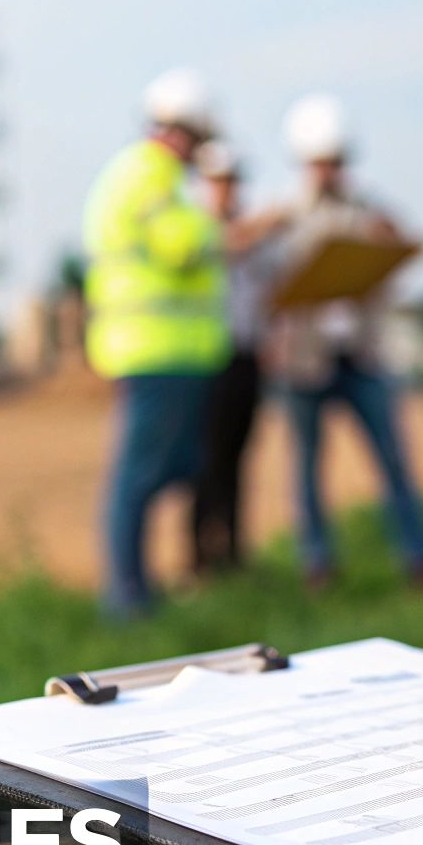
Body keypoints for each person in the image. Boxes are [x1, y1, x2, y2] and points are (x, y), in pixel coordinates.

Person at [263, 94, 423, 592]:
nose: (329, 171)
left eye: (336, 162)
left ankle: (421, 558)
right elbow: (264, 287)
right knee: (306, 464)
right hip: (304, 360)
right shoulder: (282, 216)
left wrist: (386, 242)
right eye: (320, 162)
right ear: (304, 162)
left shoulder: (370, 210)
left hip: (361, 355)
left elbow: (392, 265)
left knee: (393, 458)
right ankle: (317, 563)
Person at [82, 68, 231, 618]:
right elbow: (181, 247)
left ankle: (134, 591)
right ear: (187, 131)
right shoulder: (151, 174)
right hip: (155, 349)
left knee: (178, 464)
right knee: (139, 476)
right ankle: (126, 600)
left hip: (170, 351)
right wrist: (218, 225)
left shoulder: (147, 174)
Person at [189, 141, 281, 574]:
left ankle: (233, 554)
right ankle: (200, 558)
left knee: (238, 461)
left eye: (230, 181)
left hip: (246, 359)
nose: (225, 189)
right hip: (206, 360)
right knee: (204, 460)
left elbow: (268, 296)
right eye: (217, 181)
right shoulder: (194, 232)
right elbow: (226, 245)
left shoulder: (254, 239)